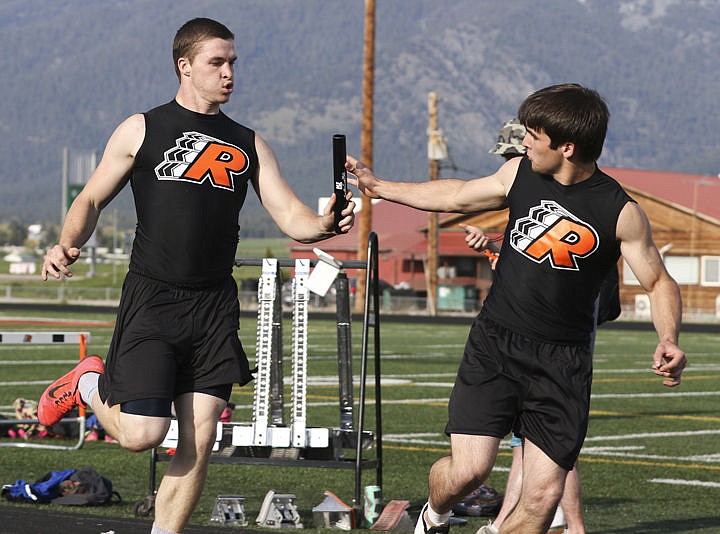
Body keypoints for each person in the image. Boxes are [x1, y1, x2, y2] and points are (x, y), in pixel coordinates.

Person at [37, 18, 354, 534]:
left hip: (213, 306)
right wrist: (68, 242)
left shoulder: (249, 142)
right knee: (141, 433)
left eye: (233, 62)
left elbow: (293, 216)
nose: (229, 73)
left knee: (199, 439)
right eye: (217, 62)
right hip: (154, 299)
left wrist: (325, 222)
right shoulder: (143, 128)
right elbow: (92, 197)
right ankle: (90, 382)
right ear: (184, 66)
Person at [346, 83, 686, 534]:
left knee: (543, 498)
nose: (524, 142)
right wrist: (380, 187)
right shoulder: (518, 174)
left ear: (566, 146)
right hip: (497, 345)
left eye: (533, 134)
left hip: (564, 364)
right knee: (469, 472)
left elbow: (659, 281)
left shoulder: (620, 211)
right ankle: (434, 515)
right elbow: (457, 195)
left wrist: (669, 338)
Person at [461, 119, 586, 534]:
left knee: (548, 451)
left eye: (516, 155)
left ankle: (571, 525)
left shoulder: (568, 198)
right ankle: (507, 524)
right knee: (527, 448)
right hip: (521, 334)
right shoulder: (533, 195)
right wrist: (495, 246)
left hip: (553, 340)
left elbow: (555, 261)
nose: (512, 165)